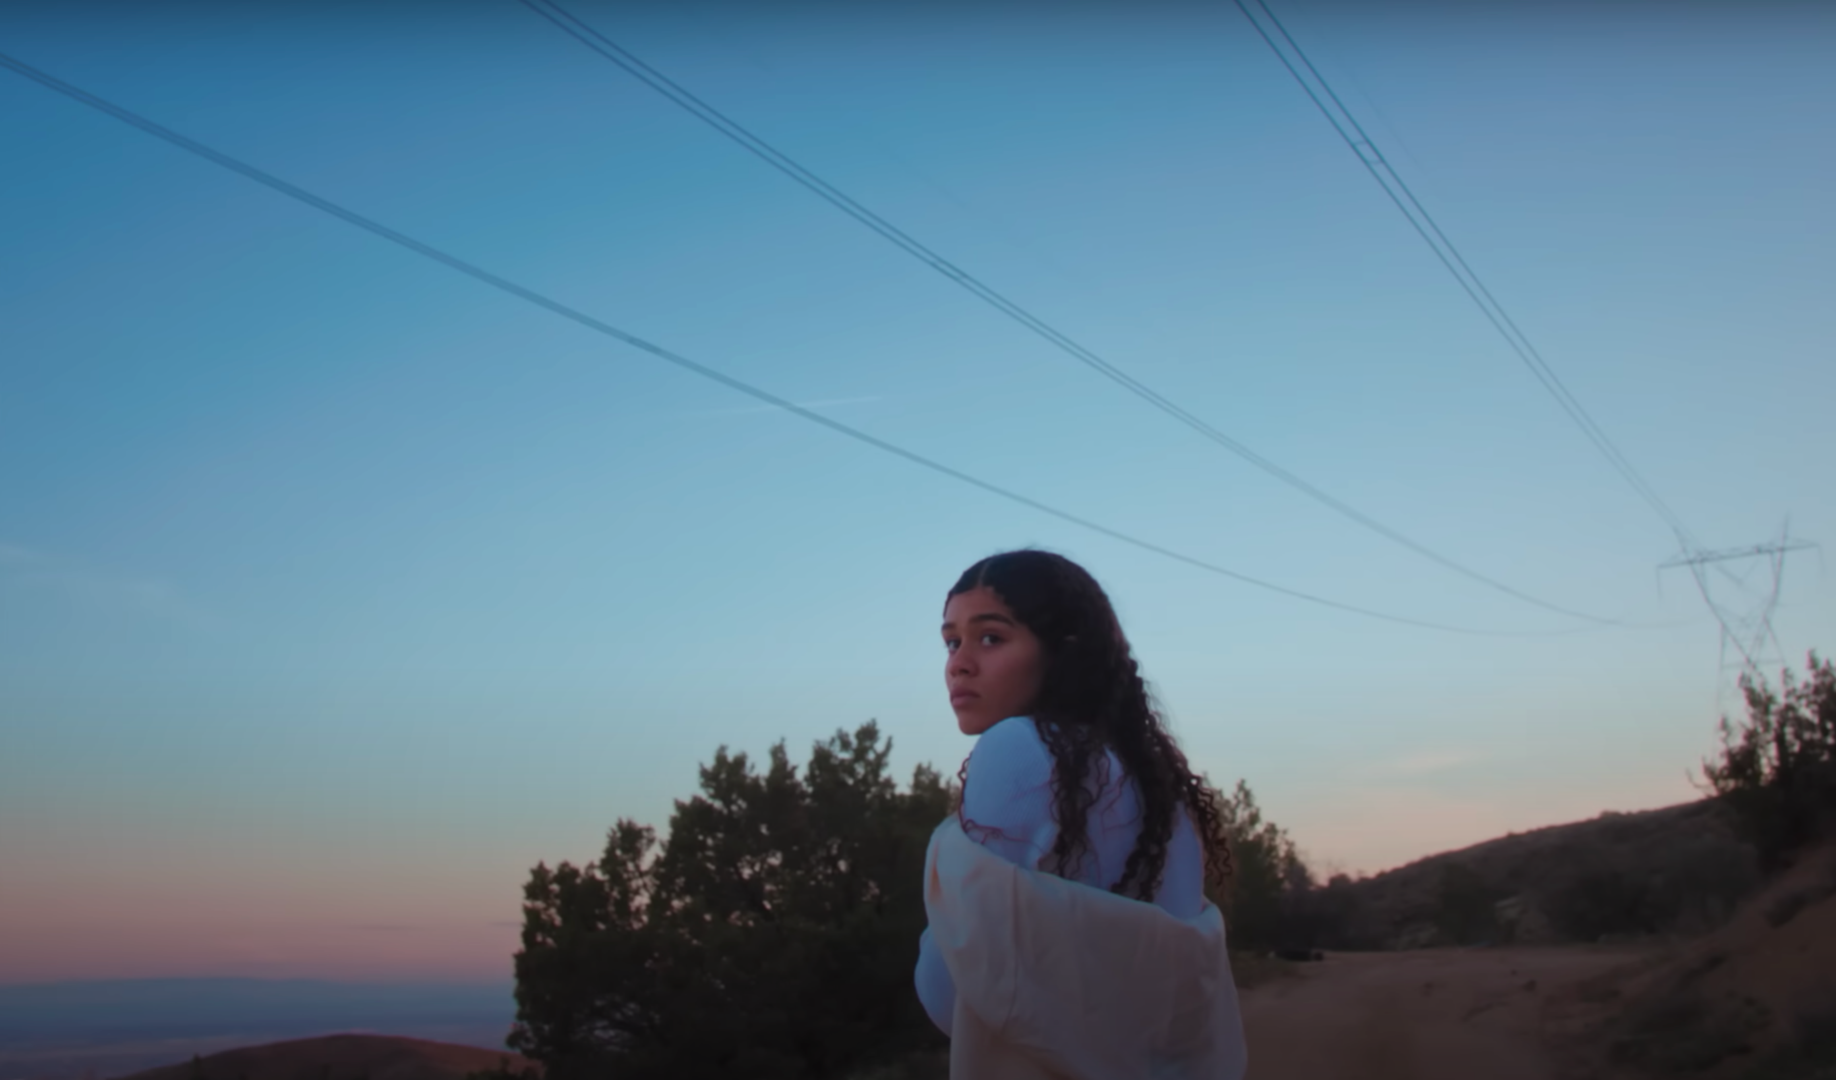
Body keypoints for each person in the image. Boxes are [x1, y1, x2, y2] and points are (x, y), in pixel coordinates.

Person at [914, 549, 1246, 1079]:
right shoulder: (1164, 790)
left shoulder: (1014, 748)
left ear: (1062, 651)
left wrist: (944, 903)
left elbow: (955, 992)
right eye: (952, 641)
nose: (959, 662)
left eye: (991, 637)